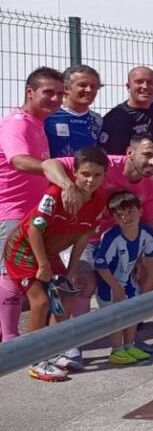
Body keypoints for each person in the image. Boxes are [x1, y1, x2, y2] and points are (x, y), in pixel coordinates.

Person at [41, 133, 153, 363]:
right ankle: (71, 345)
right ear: (130, 153)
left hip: (117, 241)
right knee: (82, 283)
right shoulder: (105, 164)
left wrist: (139, 259)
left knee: (128, 287)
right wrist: (67, 186)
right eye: (148, 155)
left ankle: (126, 343)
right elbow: (49, 164)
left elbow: (146, 222)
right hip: (84, 237)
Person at [0, 146, 108, 380]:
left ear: (104, 175)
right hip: (23, 249)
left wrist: (71, 270)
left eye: (97, 175)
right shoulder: (54, 194)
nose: (91, 180)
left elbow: (83, 236)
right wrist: (43, 264)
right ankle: (34, 359)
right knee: (40, 301)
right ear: (74, 173)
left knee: (64, 296)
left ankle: (51, 350)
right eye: (85, 174)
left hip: (50, 252)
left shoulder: (100, 200)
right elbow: (34, 230)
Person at [0, 67, 62, 254]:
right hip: (14, 214)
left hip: (33, 214)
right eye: (48, 92)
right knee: (11, 272)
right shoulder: (17, 123)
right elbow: (19, 161)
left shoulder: (36, 123)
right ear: (30, 92)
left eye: (60, 94)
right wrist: (60, 172)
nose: (55, 99)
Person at [93, 191, 153, 365]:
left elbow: (151, 256)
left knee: (133, 312)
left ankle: (130, 345)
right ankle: (116, 350)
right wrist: (115, 287)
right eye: (119, 215)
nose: (126, 218)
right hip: (108, 284)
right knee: (117, 316)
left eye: (130, 212)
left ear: (140, 211)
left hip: (129, 280)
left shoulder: (147, 232)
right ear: (114, 217)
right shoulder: (111, 237)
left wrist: (148, 282)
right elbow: (100, 264)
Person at [99, 66, 153, 154]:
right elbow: (109, 157)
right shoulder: (116, 118)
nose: (145, 86)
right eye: (139, 82)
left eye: (150, 83)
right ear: (128, 86)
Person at [44, 64, 103, 157]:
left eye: (93, 86)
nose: (89, 90)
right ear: (66, 88)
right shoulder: (48, 116)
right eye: (83, 85)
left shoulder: (97, 120)